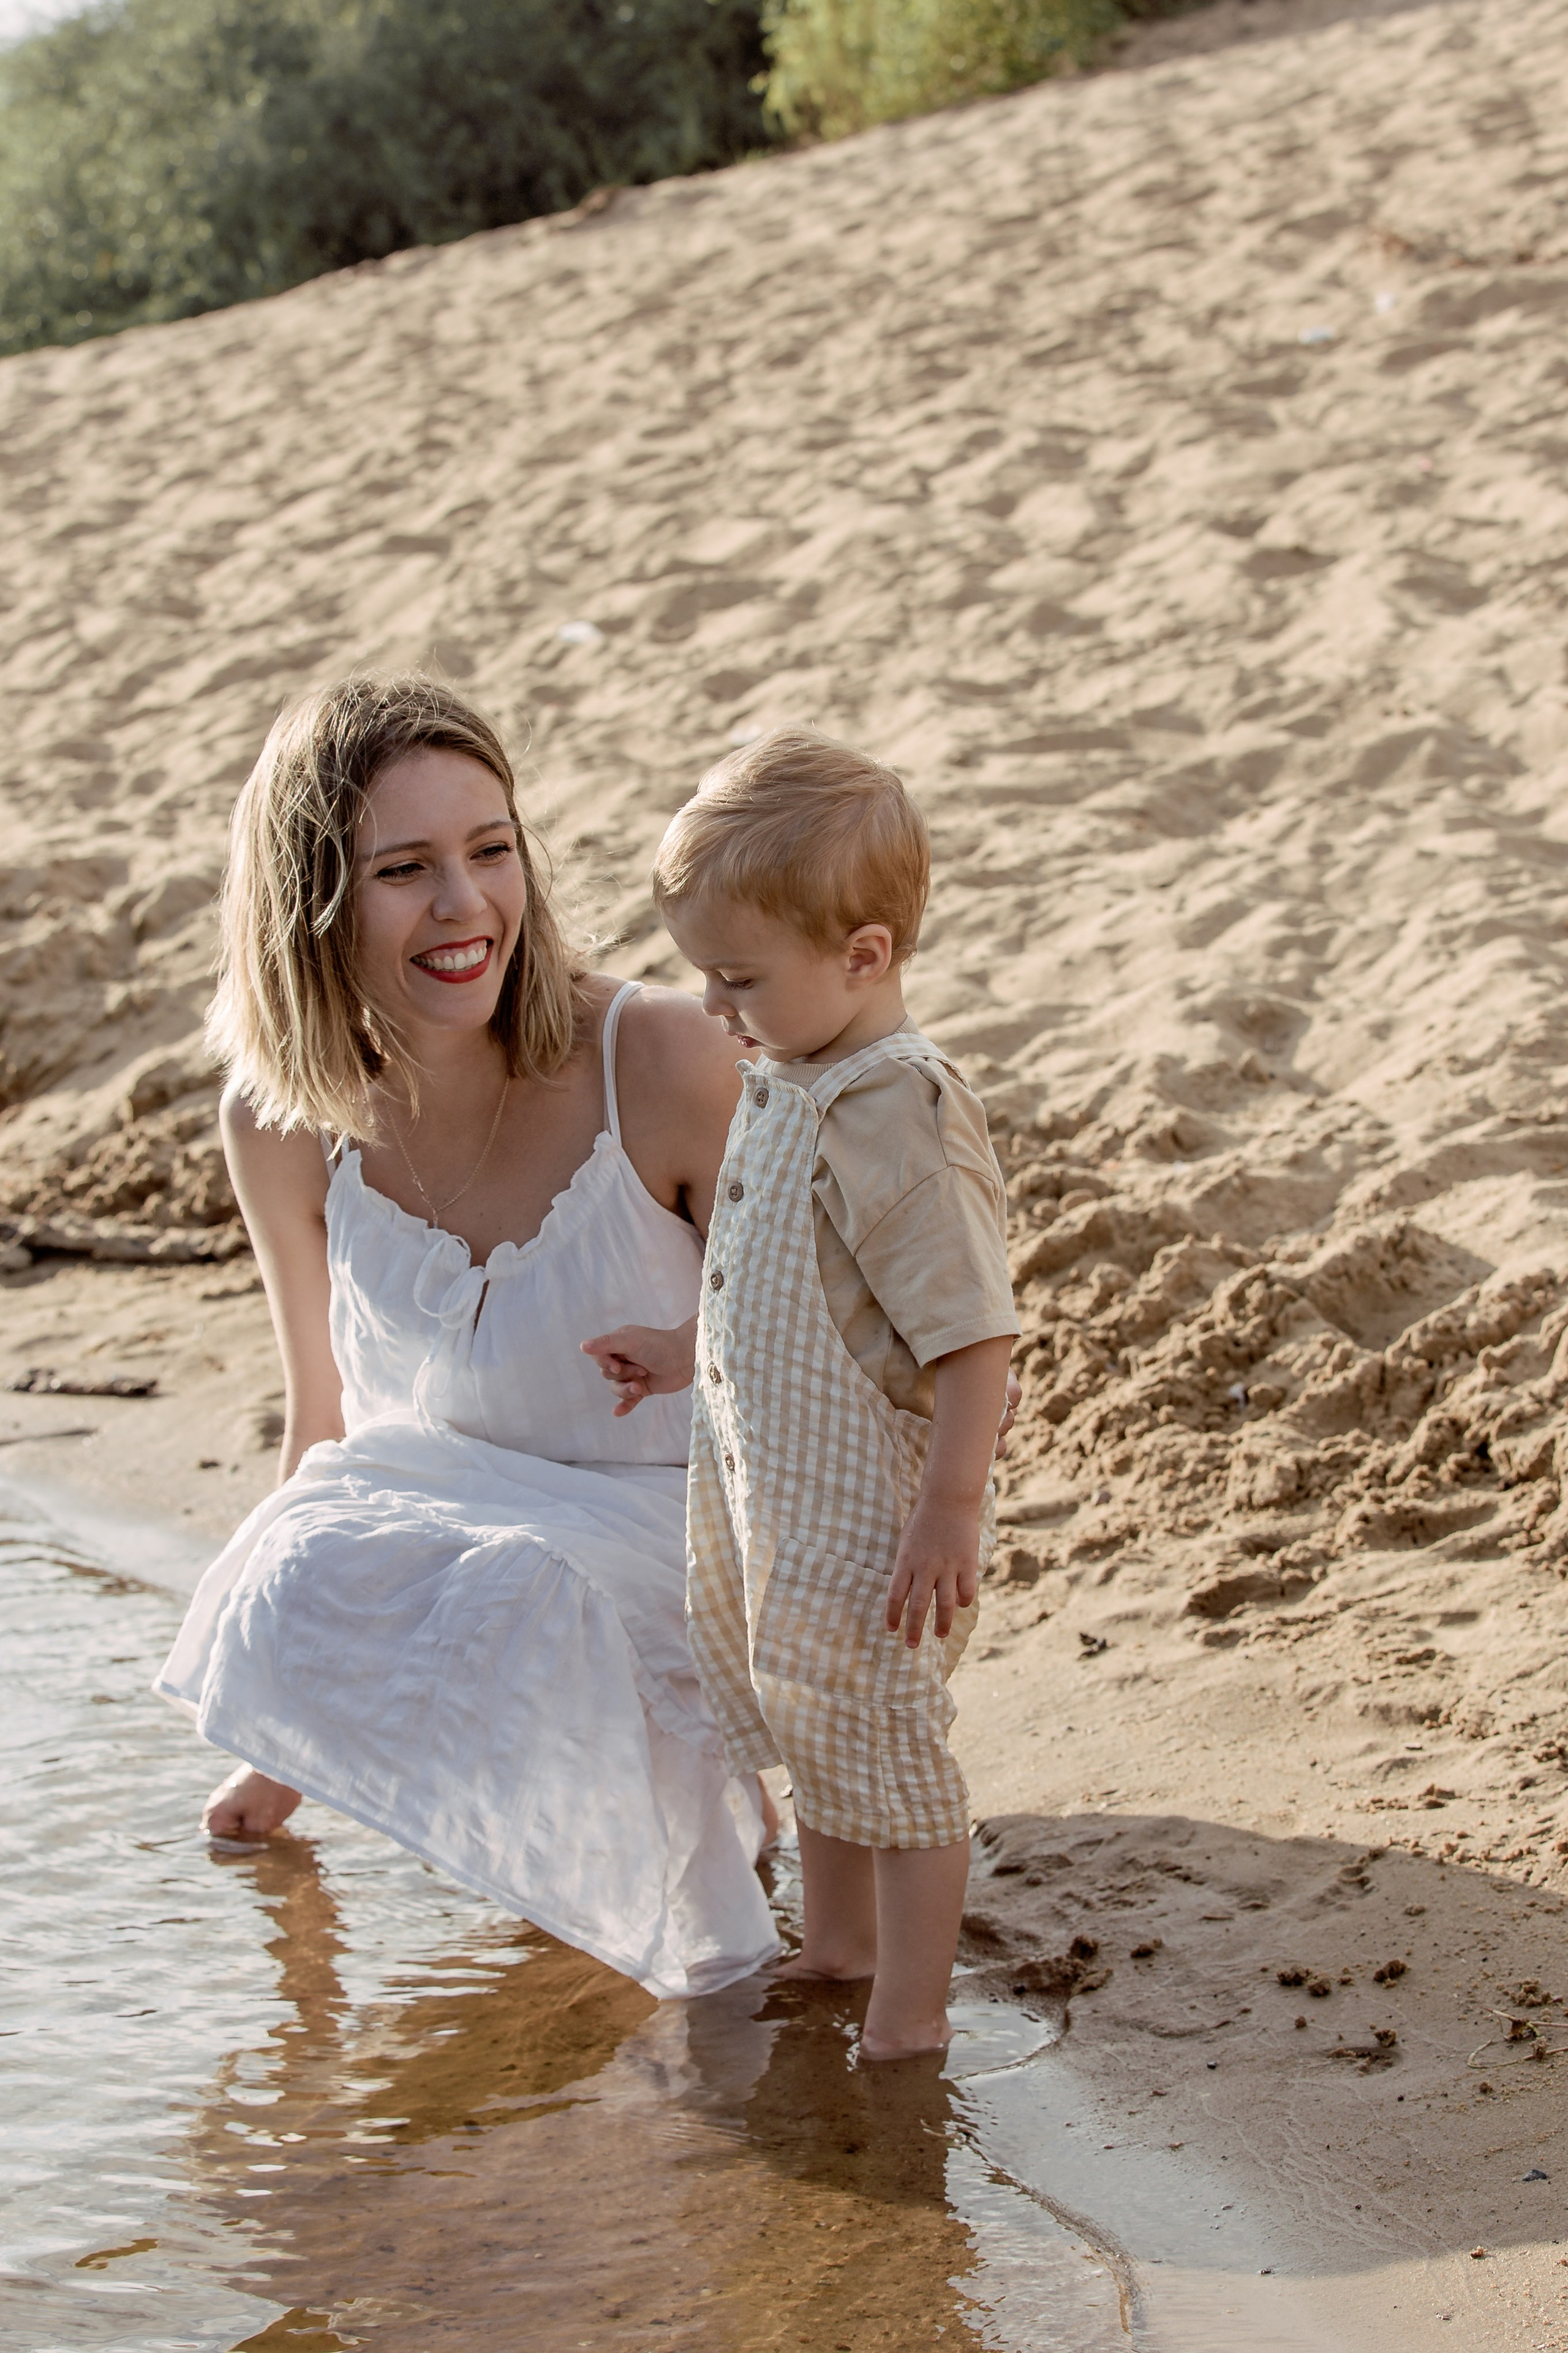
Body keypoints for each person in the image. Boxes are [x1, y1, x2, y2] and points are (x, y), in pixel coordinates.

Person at [154, 673, 782, 2000]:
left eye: (489, 851)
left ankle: (713, 1802)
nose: (464, 907)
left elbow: (791, 1370)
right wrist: (288, 1720)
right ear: (312, 901)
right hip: (457, 1503)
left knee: (529, 1597)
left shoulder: (659, 1058)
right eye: (404, 869)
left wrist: (802, 1707)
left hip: (678, 1522)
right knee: (296, 1549)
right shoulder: (278, 1119)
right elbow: (321, 1416)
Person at [582, 730, 1019, 2058]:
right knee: (809, 1713)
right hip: (771, 1481)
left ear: (864, 955)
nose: (712, 1008)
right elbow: (765, 1264)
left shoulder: (896, 1109)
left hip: (872, 1506)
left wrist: (948, 1512)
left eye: (737, 980)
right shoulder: (790, 1074)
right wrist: (679, 1341)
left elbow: (972, 1335)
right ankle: (834, 1943)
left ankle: (910, 2009)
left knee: (883, 1741)